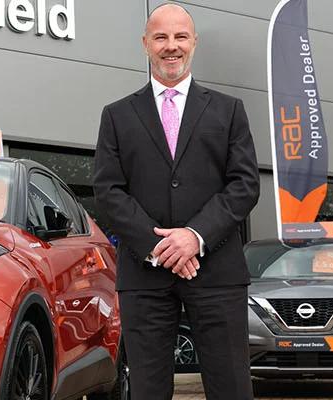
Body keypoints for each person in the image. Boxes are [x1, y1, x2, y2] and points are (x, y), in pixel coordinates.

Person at [92, 3, 260, 398]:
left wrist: (194, 237)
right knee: (147, 390)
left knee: (232, 387)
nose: (172, 46)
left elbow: (245, 184)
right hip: (144, 275)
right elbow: (109, 192)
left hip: (217, 271)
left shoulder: (228, 110)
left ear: (194, 42)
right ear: (145, 44)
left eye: (180, 36)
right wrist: (159, 247)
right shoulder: (116, 115)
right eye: (161, 37)